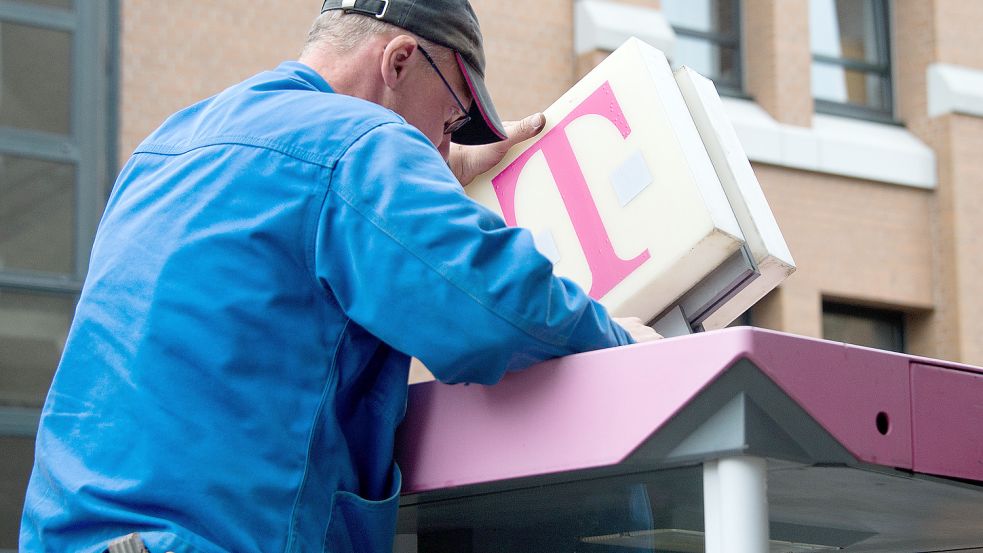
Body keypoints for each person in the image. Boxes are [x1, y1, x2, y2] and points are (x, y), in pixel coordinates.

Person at [20, 1, 659, 552]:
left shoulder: (173, 142)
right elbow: (496, 305)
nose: (445, 140)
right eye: (451, 118)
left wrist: (423, 175)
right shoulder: (362, 144)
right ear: (400, 60)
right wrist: (630, 348)